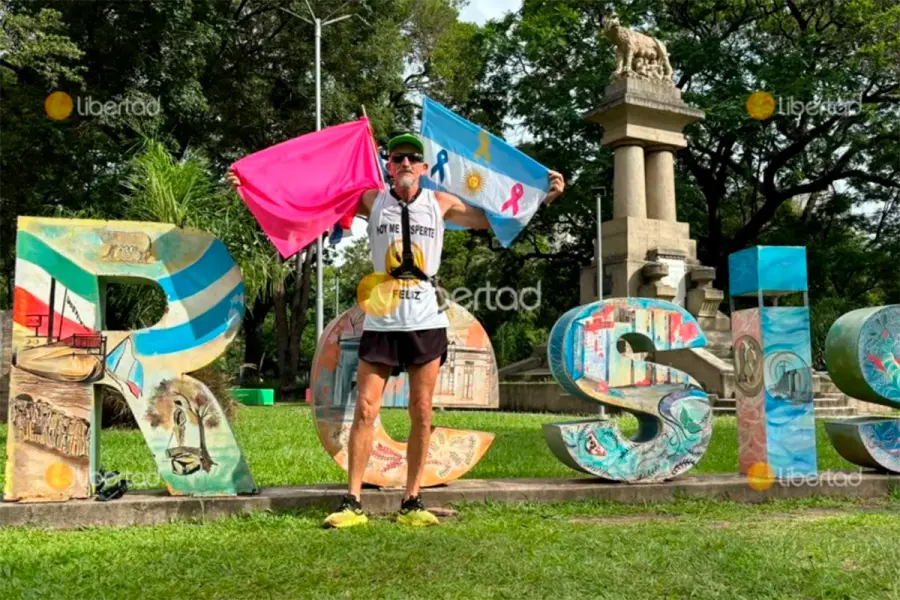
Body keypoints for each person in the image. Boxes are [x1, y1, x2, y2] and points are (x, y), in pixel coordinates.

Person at [228, 133, 564, 527]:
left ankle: (412, 500)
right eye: (397, 158)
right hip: (382, 318)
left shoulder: (442, 203)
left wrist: (541, 198)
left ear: (424, 168)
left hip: (426, 320)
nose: (405, 163)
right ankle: (352, 501)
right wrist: (255, 187)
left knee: (421, 412)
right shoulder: (372, 201)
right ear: (388, 166)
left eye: (412, 159)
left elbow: (494, 220)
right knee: (366, 410)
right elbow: (313, 199)